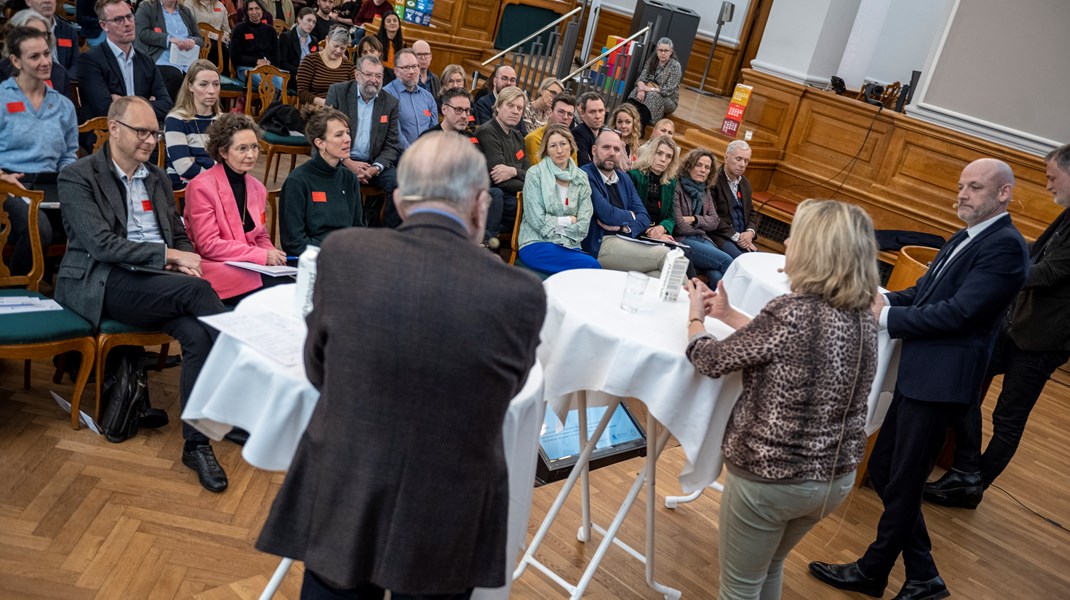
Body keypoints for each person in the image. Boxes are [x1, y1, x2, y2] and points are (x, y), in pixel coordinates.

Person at [256, 131, 546, 599]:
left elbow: (318, 370)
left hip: (347, 487)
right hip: (449, 512)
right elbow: (505, 392)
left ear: (398, 201)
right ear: (480, 204)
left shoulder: (345, 254)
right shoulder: (522, 294)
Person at [809, 158, 1030, 600]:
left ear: (1003, 193)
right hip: (923, 373)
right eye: (962, 185)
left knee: (900, 476)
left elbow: (961, 313)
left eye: (975, 188)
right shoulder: (966, 236)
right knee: (890, 468)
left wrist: (887, 316)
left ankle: (884, 572)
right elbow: (926, 294)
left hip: (942, 379)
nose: (963, 194)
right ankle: (919, 574)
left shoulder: (1005, 246)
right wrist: (880, 296)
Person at [686, 199, 879, 600]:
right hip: (832, 478)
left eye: (797, 236)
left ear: (816, 251)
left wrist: (695, 319)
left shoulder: (791, 311)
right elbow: (794, 347)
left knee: (738, 589)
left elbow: (709, 359)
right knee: (768, 568)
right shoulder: (863, 316)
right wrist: (730, 314)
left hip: (772, 477)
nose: (787, 242)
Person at [56, 96, 229, 492]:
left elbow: (179, 232)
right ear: (114, 128)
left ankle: (197, 443)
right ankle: (245, 389)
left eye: (154, 133)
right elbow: (102, 245)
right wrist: (168, 256)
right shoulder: (78, 176)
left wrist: (186, 257)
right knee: (199, 294)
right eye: (142, 131)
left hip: (158, 284)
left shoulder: (156, 177)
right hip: (104, 280)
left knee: (197, 332)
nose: (151, 140)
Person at [924, 143, 1070, 509]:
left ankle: (973, 483)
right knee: (964, 384)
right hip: (1019, 324)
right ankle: (967, 467)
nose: (1048, 185)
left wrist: (994, 270)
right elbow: (1039, 253)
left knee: (1008, 417)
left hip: (1043, 338)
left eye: (1053, 178)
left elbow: (1050, 272)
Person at [183, 113, 286, 303]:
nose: (251, 154)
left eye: (255, 147)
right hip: (218, 267)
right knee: (281, 295)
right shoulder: (201, 187)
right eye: (242, 148)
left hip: (250, 265)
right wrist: (262, 256)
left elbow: (260, 235)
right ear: (223, 152)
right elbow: (208, 245)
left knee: (293, 285)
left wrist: (274, 257)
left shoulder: (257, 187)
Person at [0, 25, 78, 276]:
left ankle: (72, 291)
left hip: (52, 184)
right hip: (10, 185)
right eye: (34, 57)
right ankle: (18, 289)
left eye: (47, 53)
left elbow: (69, 154)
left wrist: (68, 180)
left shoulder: (63, 105)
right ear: (15, 60)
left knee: (92, 223)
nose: (45, 62)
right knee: (39, 229)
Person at [325, 55, 400, 226]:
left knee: (400, 185)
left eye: (378, 76)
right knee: (345, 182)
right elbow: (325, 134)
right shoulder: (338, 93)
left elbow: (392, 145)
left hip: (373, 164)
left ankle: (386, 237)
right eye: (369, 74)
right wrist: (347, 161)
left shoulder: (390, 103)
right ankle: (347, 233)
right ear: (357, 75)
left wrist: (375, 168)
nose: (374, 80)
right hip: (341, 160)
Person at [581, 128, 668, 276]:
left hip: (626, 240)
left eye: (616, 149)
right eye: (606, 147)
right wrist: (631, 216)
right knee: (666, 256)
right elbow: (606, 213)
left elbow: (644, 217)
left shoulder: (624, 178)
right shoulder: (585, 175)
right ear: (594, 150)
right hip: (600, 243)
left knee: (657, 275)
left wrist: (623, 228)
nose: (612, 153)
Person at [279, 107, 364, 255]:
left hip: (346, 257)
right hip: (314, 261)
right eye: (339, 135)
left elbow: (358, 228)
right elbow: (293, 242)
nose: (348, 139)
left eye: (347, 133)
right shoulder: (298, 181)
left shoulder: (349, 178)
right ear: (320, 143)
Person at [517, 124, 599, 274]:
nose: (559, 150)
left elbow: (583, 224)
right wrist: (568, 220)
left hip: (569, 245)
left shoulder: (581, 177)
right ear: (546, 150)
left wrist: (557, 225)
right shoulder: (535, 174)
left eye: (563, 144)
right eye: (553, 146)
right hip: (536, 244)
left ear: (571, 145)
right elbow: (536, 220)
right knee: (592, 267)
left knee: (587, 272)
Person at [79, 0, 173, 121]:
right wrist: (145, 103)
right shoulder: (90, 61)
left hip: (143, 134)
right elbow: (105, 109)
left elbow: (166, 105)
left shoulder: (147, 61)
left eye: (129, 16)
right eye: (119, 19)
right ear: (104, 26)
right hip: (108, 135)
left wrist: (122, 102)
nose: (128, 23)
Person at [673, 148, 734, 283]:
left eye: (707, 167)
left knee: (716, 275)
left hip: (702, 238)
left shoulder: (705, 190)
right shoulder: (676, 187)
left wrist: (694, 219)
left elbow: (715, 221)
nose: (703, 170)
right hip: (682, 240)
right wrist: (703, 225)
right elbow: (679, 226)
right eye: (699, 165)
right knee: (727, 261)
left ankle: (709, 304)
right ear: (689, 166)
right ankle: (723, 303)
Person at [475, 85, 527, 237]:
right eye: (510, 105)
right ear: (498, 106)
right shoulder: (488, 132)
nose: (515, 111)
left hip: (515, 195)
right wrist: (531, 186)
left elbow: (531, 172)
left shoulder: (518, 137)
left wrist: (514, 171)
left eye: (520, 108)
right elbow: (500, 179)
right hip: (495, 195)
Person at [164, 59, 221, 189]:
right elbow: (184, 168)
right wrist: (216, 173)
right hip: (186, 189)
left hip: (218, 188)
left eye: (216, 84)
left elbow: (232, 163)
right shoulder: (176, 119)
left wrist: (198, 160)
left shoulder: (223, 120)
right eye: (203, 84)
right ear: (190, 86)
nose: (211, 90)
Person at [134, 0, 205, 101]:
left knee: (206, 75)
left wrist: (192, 40)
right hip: (159, 60)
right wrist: (168, 39)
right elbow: (142, 32)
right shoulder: (147, 7)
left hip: (186, 62)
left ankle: (199, 114)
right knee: (174, 75)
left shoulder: (186, 11)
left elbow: (199, 39)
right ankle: (168, 112)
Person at [0, 9, 72, 98]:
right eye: (32, 33)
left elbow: (67, 109)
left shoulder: (59, 73)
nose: (39, 39)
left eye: (43, 34)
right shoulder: (2, 71)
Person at [628, 134, 679, 244]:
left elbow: (670, 217)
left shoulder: (670, 183)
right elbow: (629, 211)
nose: (663, 159)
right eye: (659, 153)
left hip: (656, 235)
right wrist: (650, 233)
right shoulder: (634, 176)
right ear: (651, 153)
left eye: (668, 156)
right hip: (635, 232)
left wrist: (661, 228)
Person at [382, 48, 437, 150]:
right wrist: (412, 153)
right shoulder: (387, 94)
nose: (412, 71)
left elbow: (434, 130)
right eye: (406, 67)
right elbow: (395, 132)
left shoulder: (428, 97)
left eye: (414, 66)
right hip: (399, 157)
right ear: (396, 71)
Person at [712, 139, 759, 258]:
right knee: (742, 261)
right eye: (738, 159)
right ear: (726, 158)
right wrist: (738, 237)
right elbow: (712, 217)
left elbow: (752, 213)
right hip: (720, 236)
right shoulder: (713, 180)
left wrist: (750, 232)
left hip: (744, 239)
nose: (743, 164)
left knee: (759, 261)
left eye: (746, 161)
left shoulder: (745, 183)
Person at [230, 0, 284, 92]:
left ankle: (271, 105)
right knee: (267, 85)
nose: (254, 12)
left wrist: (268, 64)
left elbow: (277, 54)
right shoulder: (239, 29)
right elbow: (235, 56)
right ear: (246, 12)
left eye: (257, 8)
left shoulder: (270, 30)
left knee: (280, 83)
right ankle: (268, 105)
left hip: (269, 68)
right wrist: (256, 61)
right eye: (250, 9)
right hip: (247, 69)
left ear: (262, 10)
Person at [628, 36, 681, 129]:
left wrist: (648, 89)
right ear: (656, 50)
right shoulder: (652, 61)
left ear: (671, 52)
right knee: (636, 91)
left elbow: (667, 90)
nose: (663, 53)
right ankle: (627, 119)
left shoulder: (675, 66)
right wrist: (641, 89)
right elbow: (641, 79)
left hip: (669, 99)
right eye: (660, 50)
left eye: (666, 51)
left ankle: (639, 128)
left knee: (653, 95)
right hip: (649, 89)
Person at [295, 25, 352, 106]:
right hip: (315, 109)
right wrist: (324, 102)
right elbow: (302, 93)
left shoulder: (349, 67)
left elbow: (353, 94)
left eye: (342, 48)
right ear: (327, 39)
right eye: (335, 46)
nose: (338, 51)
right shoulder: (310, 61)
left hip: (340, 111)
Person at [25, 0, 79, 76]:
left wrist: (64, 80)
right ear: (28, 1)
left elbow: (76, 63)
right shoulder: (19, 29)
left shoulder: (68, 30)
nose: (47, 1)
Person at [525, 92, 575, 167]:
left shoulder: (570, 140)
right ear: (550, 112)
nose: (565, 117)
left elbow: (574, 172)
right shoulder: (534, 138)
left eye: (570, 114)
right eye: (561, 112)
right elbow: (540, 172)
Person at [184, 0, 231, 71]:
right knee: (213, 46)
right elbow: (190, 28)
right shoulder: (189, 4)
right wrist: (213, 35)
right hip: (200, 41)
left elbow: (226, 29)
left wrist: (224, 36)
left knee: (228, 48)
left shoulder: (220, 5)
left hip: (220, 42)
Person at [278, 7, 316, 77]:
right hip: (291, 76)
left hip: (310, 77)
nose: (311, 24)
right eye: (309, 20)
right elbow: (282, 63)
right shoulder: (286, 37)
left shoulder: (314, 40)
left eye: (314, 22)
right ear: (299, 19)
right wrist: (301, 71)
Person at [571, 91, 605, 166]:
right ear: (582, 114)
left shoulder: (605, 134)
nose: (598, 116)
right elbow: (584, 165)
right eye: (592, 112)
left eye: (601, 111)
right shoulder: (578, 133)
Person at [610, 102, 641, 170]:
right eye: (620, 122)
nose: (623, 126)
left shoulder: (634, 146)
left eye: (628, 122)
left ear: (634, 124)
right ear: (615, 123)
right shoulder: (611, 143)